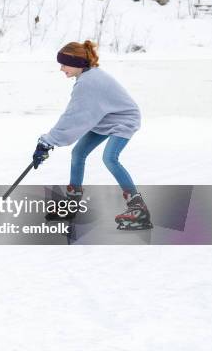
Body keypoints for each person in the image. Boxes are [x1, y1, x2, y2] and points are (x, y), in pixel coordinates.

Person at [32, 40, 152, 230]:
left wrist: (47, 141)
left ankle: (138, 209)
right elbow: (80, 117)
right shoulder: (87, 76)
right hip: (105, 118)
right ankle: (72, 205)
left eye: (64, 64)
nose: (61, 69)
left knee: (110, 158)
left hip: (124, 119)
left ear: (77, 62)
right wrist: (50, 141)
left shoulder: (88, 82)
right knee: (78, 153)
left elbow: (72, 117)